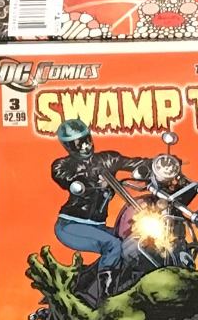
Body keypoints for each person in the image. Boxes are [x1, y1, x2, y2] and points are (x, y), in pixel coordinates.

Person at [49, 117, 154, 284]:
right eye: (78, 144)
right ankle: (105, 290)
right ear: (68, 147)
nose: (85, 146)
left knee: (131, 241)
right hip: (71, 225)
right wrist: (90, 179)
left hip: (98, 226)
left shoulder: (108, 158)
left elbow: (133, 163)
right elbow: (64, 177)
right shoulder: (62, 165)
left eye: (87, 140)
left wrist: (161, 164)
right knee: (113, 245)